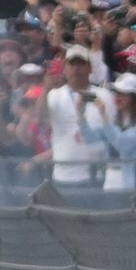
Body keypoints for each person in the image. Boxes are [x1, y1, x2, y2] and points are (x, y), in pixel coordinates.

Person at [43, 44, 114, 184]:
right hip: (64, 174)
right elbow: (41, 119)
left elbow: (110, 132)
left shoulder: (104, 95)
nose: (76, 68)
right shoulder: (54, 95)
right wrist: (45, 89)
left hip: (97, 175)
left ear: (90, 68)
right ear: (64, 68)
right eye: (72, 64)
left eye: (81, 64)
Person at [81, 73, 136, 190]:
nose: (117, 96)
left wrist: (103, 114)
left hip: (135, 186)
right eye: (115, 92)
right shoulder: (113, 124)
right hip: (110, 182)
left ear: (134, 97)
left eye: (122, 93)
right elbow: (89, 138)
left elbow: (121, 144)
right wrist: (80, 114)